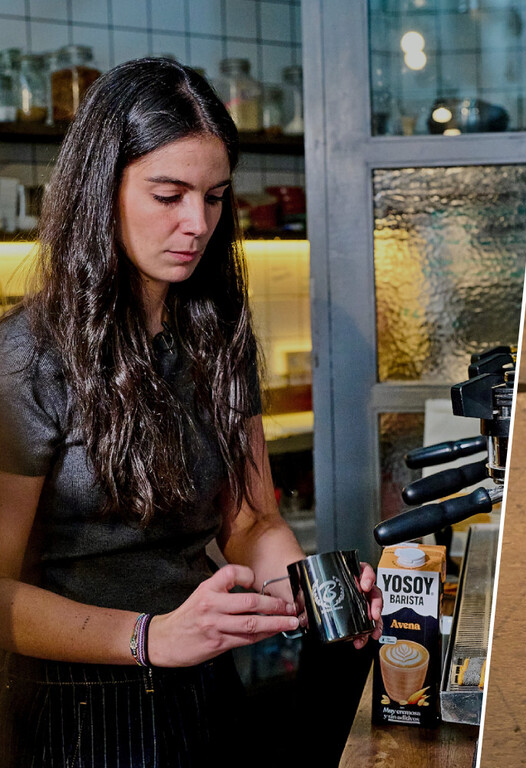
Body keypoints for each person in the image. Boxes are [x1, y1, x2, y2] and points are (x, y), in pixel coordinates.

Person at [0, 58, 382, 766]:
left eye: (214, 197)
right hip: (72, 714)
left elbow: (251, 520)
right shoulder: (24, 362)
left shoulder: (214, 335)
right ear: (100, 189)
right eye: (168, 194)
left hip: (203, 695)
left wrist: (309, 593)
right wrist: (150, 637)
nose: (197, 223)